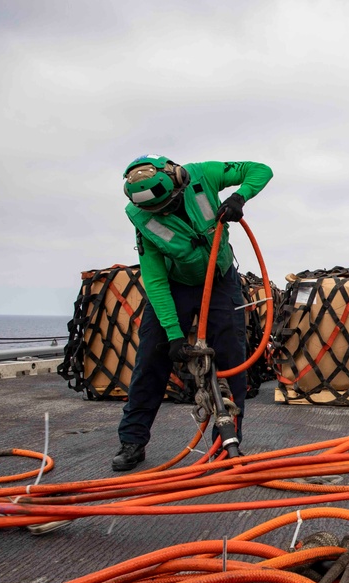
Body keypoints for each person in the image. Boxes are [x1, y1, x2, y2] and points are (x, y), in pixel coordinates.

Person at [113, 155, 274, 471]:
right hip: (177, 284)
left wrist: (240, 196)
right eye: (159, 211)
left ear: (178, 183)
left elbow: (261, 170)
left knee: (231, 359)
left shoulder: (204, 175)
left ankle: (226, 442)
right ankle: (132, 441)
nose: (167, 213)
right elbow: (156, 280)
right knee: (150, 360)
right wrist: (173, 335)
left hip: (220, 278)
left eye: (170, 205)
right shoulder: (142, 218)